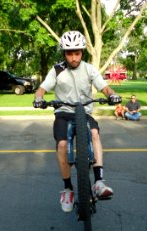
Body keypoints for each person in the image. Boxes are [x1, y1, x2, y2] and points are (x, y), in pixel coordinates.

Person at [34, 30, 121, 213]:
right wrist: (39, 98)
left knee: (95, 134)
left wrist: (112, 95)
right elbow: (41, 89)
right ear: (64, 53)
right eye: (69, 53)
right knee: (62, 146)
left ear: (82, 52)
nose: (73, 58)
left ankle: (98, 182)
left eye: (77, 53)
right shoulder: (57, 69)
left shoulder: (89, 69)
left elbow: (104, 88)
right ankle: (67, 189)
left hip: (84, 111)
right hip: (64, 113)